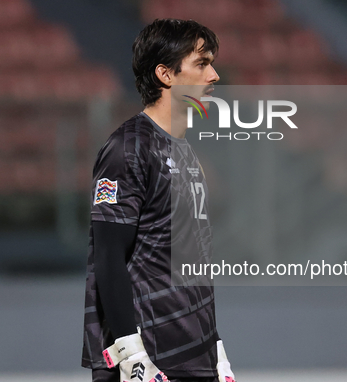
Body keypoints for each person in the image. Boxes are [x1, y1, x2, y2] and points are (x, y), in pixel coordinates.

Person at [82, 19, 236, 382]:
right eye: (201, 63)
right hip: (147, 360)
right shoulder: (129, 147)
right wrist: (131, 354)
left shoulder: (185, 152)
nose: (213, 75)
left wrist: (215, 348)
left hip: (192, 356)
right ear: (166, 75)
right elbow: (108, 256)